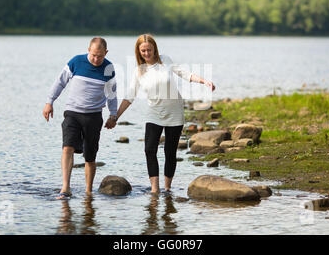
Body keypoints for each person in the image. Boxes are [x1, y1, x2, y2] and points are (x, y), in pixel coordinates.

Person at [115, 34, 215, 194]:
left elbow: (185, 73)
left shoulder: (165, 60)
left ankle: (167, 188)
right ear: (138, 52)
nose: (146, 53)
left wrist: (204, 81)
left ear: (155, 49)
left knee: (170, 152)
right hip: (153, 113)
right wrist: (116, 116)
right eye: (143, 51)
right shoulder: (139, 71)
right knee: (149, 150)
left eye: (149, 50)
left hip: (174, 113)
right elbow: (129, 97)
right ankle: (155, 190)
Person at [42, 37, 118, 199]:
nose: (96, 59)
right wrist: (50, 102)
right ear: (88, 50)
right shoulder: (76, 62)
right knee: (67, 148)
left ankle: (88, 191)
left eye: (100, 56)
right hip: (72, 113)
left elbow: (111, 95)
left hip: (94, 116)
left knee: (90, 156)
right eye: (93, 55)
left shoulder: (108, 68)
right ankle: (65, 188)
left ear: (106, 53)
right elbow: (60, 82)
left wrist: (113, 115)